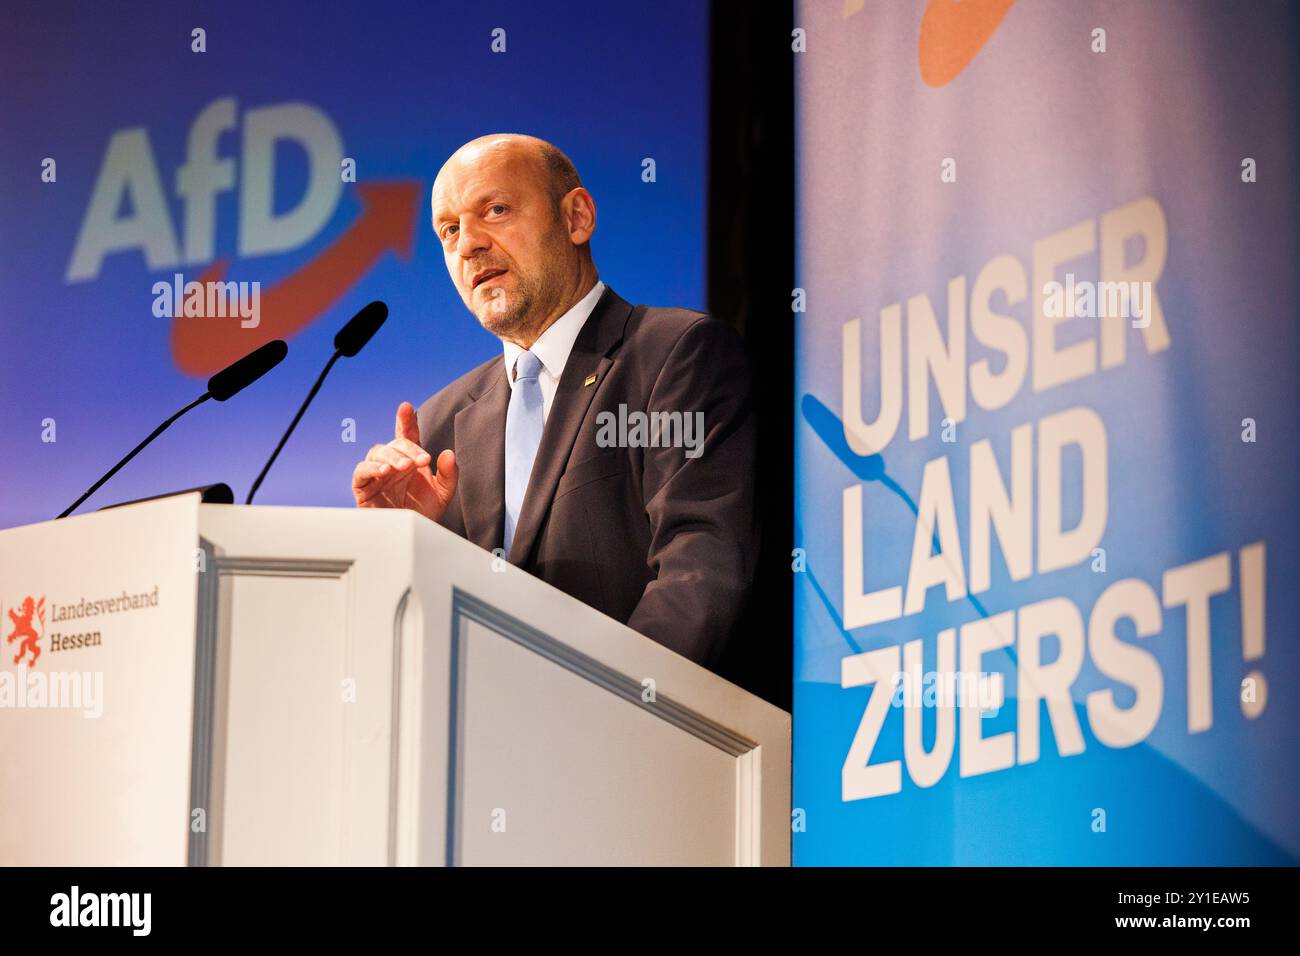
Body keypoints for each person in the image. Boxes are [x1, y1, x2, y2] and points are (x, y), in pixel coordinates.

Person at [352, 134, 756, 668]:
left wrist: (615, 708)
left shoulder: (672, 355)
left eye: (494, 210)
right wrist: (405, 546)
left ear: (576, 218)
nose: (468, 243)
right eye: (449, 231)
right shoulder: (438, 428)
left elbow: (700, 565)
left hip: (634, 733)